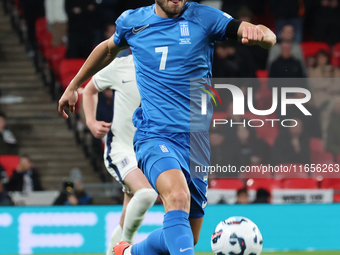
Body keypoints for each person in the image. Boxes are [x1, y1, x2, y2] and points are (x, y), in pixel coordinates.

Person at [58, 1, 276, 255]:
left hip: (196, 144)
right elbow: (107, 49)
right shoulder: (132, 21)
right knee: (177, 197)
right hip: (155, 135)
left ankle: (128, 253)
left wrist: (261, 34)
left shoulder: (204, 17)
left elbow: (264, 35)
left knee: (187, 236)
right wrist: (74, 85)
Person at [82, 55, 158, 254]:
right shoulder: (120, 66)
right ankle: (125, 249)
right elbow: (89, 89)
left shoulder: (166, 66)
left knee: (127, 214)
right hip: (121, 148)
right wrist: (91, 121)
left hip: (148, 152)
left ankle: (116, 250)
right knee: (147, 193)